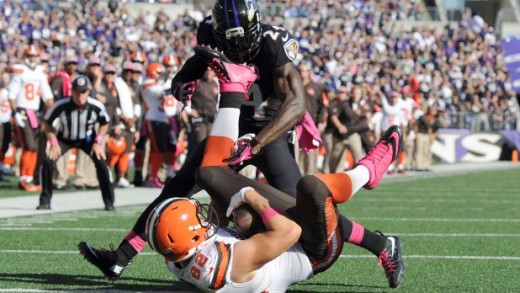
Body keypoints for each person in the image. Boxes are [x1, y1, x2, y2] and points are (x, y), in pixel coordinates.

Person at [78, 1, 401, 288]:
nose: (239, 50)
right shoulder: (209, 31)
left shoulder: (273, 43)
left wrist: (259, 142)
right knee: (180, 185)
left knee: (303, 207)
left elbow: (297, 103)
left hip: (269, 127)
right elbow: (202, 59)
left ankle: (379, 243)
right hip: (233, 125)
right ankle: (121, 257)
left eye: (245, 41)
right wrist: (182, 78)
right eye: (229, 44)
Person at [143, 57, 405, 290]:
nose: (202, 219)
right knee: (310, 189)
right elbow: (290, 231)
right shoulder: (232, 264)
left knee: (210, 177)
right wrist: (248, 194)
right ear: (194, 240)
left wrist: (222, 192)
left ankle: (232, 86)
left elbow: (214, 222)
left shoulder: (176, 257)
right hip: (312, 250)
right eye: (197, 222)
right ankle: (367, 171)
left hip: (266, 241)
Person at [37, 75, 114, 210]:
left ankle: (109, 202)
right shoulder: (61, 105)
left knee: (101, 163)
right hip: (64, 139)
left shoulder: (95, 105)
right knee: (48, 161)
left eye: (83, 92)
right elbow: (46, 124)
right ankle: (45, 201)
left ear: (88, 92)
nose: (80, 95)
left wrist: (98, 142)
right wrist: (54, 142)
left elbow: (105, 123)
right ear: (71, 91)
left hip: (88, 140)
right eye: (77, 91)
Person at [8, 45, 54, 191]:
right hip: (23, 111)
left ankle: (30, 177)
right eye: (30, 56)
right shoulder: (20, 72)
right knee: (29, 146)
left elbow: (48, 97)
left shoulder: (41, 73)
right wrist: (15, 112)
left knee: (35, 147)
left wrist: (51, 115)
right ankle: (23, 177)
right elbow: (12, 96)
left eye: (34, 56)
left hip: (35, 112)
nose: (32, 59)